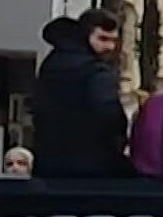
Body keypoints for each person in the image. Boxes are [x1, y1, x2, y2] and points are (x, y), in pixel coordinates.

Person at [28, 9, 129, 178]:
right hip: (93, 165)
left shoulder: (52, 62)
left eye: (113, 40)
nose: (109, 47)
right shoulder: (96, 71)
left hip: (48, 162)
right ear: (85, 34)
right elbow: (108, 113)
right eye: (102, 39)